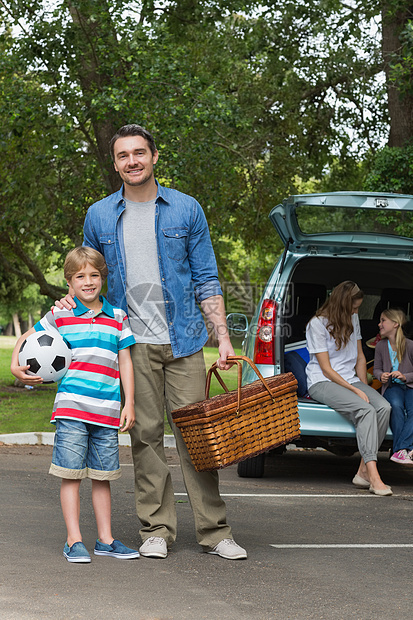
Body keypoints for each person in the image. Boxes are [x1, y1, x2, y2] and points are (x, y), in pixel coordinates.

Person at [57, 124, 247, 560]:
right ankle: (156, 529)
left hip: (185, 342)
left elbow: (206, 278)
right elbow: (89, 277)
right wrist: (69, 302)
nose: (132, 161)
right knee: (144, 436)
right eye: (123, 155)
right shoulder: (100, 215)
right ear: (116, 162)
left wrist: (224, 337)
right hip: (130, 344)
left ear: (155, 156)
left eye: (139, 153)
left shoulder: (186, 209)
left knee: (197, 437)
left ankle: (215, 533)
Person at [11, 247, 140, 563]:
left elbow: (125, 361)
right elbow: (28, 338)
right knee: (71, 474)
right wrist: (16, 365)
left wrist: (130, 402)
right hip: (71, 408)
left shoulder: (118, 317)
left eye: (94, 275)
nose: (88, 281)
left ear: (102, 278)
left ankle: (106, 539)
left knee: (103, 477)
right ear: (69, 280)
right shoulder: (60, 315)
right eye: (80, 276)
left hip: (107, 411)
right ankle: (74, 540)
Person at [305, 280, 392, 496]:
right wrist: (356, 392)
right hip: (322, 381)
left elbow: (360, 357)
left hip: (350, 378)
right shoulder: (316, 324)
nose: (357, 312)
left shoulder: (352, 318)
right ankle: (373, 474)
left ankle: (363, 469)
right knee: (365, 410)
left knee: (383, 407)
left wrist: (363, 386)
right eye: (354, 308)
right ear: (341, 305)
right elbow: (326, 369)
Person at [374, 308, 413, 465]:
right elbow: (376, 368)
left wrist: (405, 377)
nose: (379, 324)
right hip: (392, 387)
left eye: (383, 320)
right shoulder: (380, 346)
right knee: (395, 406)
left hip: (410, 386)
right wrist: (380, 375)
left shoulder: (410, 345)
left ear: (395, 324)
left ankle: (399, 449)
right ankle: (404, 450)